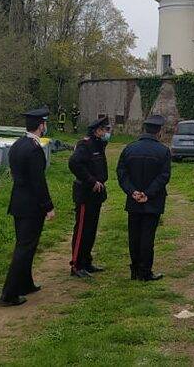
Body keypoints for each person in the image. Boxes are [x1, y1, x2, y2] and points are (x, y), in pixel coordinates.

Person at [0, 108, 55, 307]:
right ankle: (9, 293)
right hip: (31, 206)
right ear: (41, 126)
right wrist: (48, 206)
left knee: (26, 246)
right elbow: (38, 181)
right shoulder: (34, 149)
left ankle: (25, 283)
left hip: (18, 202)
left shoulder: (17, 145)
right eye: (44, 124)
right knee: (24, 248)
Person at [116, 115, 171, 281]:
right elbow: (164, 176)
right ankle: (145, 271)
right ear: (159, 132)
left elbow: (121, 173)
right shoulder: (163, 151)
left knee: (134, 236)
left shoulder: (129, 149)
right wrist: (148, 193)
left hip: (133, 200)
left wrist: (132, 192)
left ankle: (134, 270)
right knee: (148, 236)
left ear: (144, 129)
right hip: (152, 200)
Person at [68, 116, 111, 278]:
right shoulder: (85, 145)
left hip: (96, 195)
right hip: (85, 193)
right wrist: (91, 180)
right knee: (82, 230)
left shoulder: (99, 144)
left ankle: (86, 261)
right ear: (97, 131)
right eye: (105, 129)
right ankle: (76, 265)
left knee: (91, 230)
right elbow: (74, 163)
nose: (107, 133)